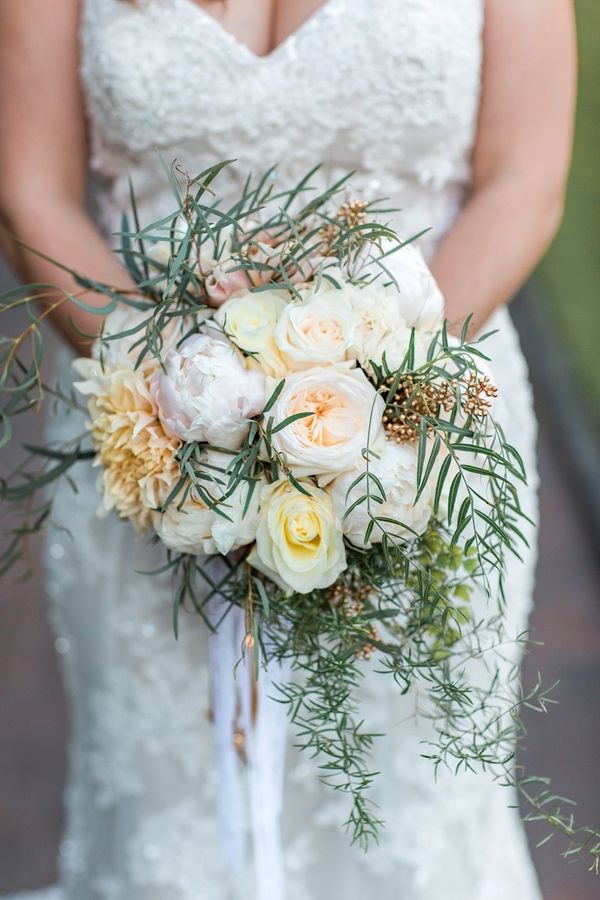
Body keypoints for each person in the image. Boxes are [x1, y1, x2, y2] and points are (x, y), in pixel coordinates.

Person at [0, 1, 576, 897]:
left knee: (416, 810)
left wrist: (382, 394)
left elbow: (526, 176)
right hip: (154, 448)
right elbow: (30, 189)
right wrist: (190, 397)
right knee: (168, 818)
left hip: (429, 451)